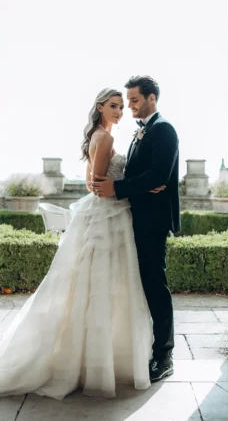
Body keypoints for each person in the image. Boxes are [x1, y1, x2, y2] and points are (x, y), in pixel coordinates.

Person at [0, 88, 165, 400]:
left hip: (106, 212)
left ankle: (88, 361)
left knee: (94, 286)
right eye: (113, 106)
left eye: (122, 106)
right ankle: (96, 364)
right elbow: (96, 183)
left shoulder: (98, 134)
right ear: (100, 107)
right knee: (106, 286)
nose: (119, 111)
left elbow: (89, 181)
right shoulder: (104, 138)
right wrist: (143, 190)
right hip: (109, 215)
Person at [92, 75, 180, 382]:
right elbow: (142, 175)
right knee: (140, 285)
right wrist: (139, 186)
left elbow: (159, 175)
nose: (129, 106)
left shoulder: (164, 129)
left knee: (156, 285)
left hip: (153, 222)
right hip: (135, 216)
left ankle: (164, 356)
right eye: (126, 101)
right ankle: (142, 348)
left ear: (151, 99)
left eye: (134, 100)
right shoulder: (140, 132)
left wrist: (122, 187)